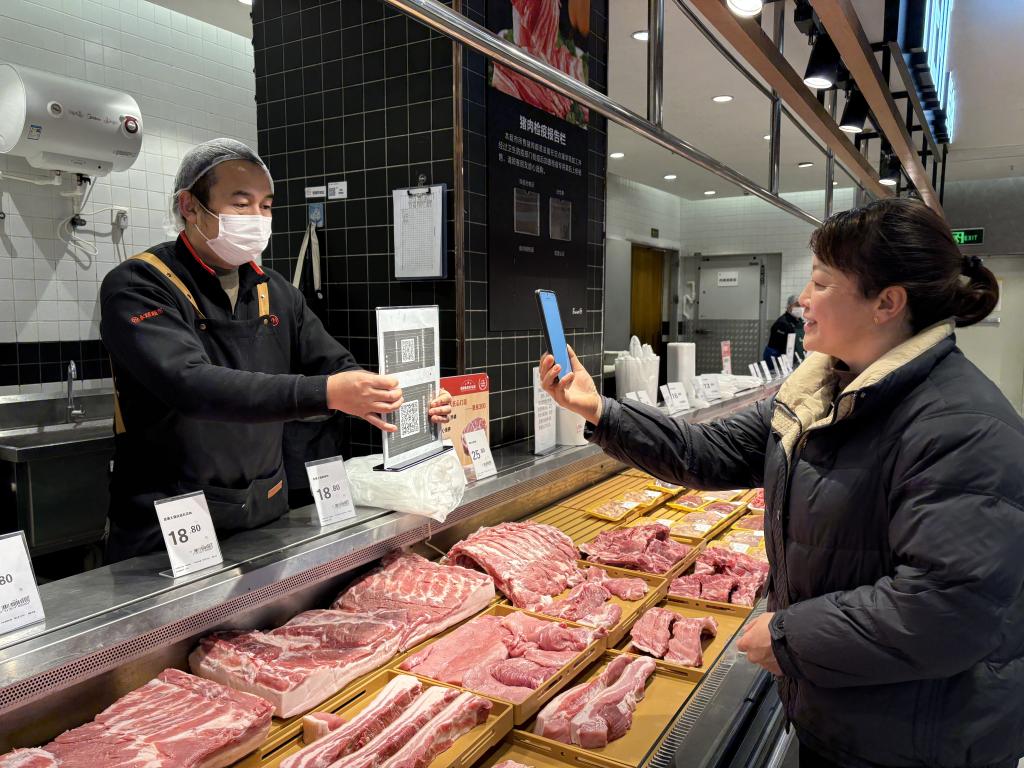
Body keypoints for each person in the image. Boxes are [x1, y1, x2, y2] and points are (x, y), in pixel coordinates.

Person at [540, 198, 1024, 767]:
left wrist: (790, 637)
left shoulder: (960, 426)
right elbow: (709, 451)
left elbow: (947, 610)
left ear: (887, 303)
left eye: (821, 282)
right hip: (845, 711)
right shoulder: (822, 393)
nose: (801, 299)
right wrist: (600, 410)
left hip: (917, 740)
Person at [100, 139, 451, 562]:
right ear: (189, 206)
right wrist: (327, 393)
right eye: (241, 204)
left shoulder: (276, 290)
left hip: (264, 514)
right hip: (170, 524)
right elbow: (190, 385)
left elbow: (336, 365)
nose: (257, 218)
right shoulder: (139, 285)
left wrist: (401, 397)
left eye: (266, 206)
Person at [764, 293, 804, 364]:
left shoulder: (801, 322)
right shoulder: (782, 323)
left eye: (802, 305)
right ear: (789, 306)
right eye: (797, 305)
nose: (800, 308)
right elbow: (776, 350)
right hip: (783, 362)